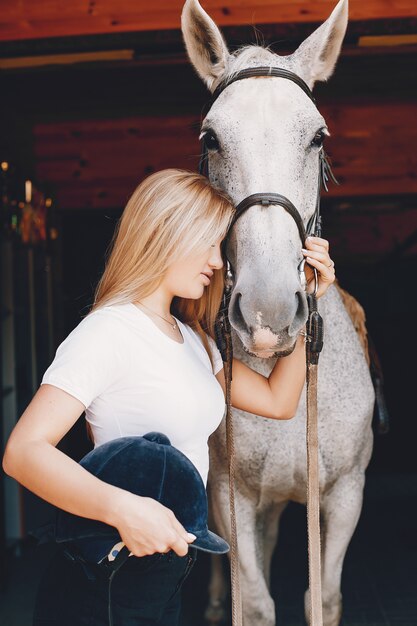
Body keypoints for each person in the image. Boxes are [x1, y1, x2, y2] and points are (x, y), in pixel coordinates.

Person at [2, 168, 335, 625]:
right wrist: (125, 510)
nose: (218, 263)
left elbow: (280, 401)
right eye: (211, 244)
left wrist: (309, 301)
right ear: (166, 233)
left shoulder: (194, 340)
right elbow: (23, 452)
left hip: (166, 570)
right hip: (111, 570)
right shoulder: (108, 331)